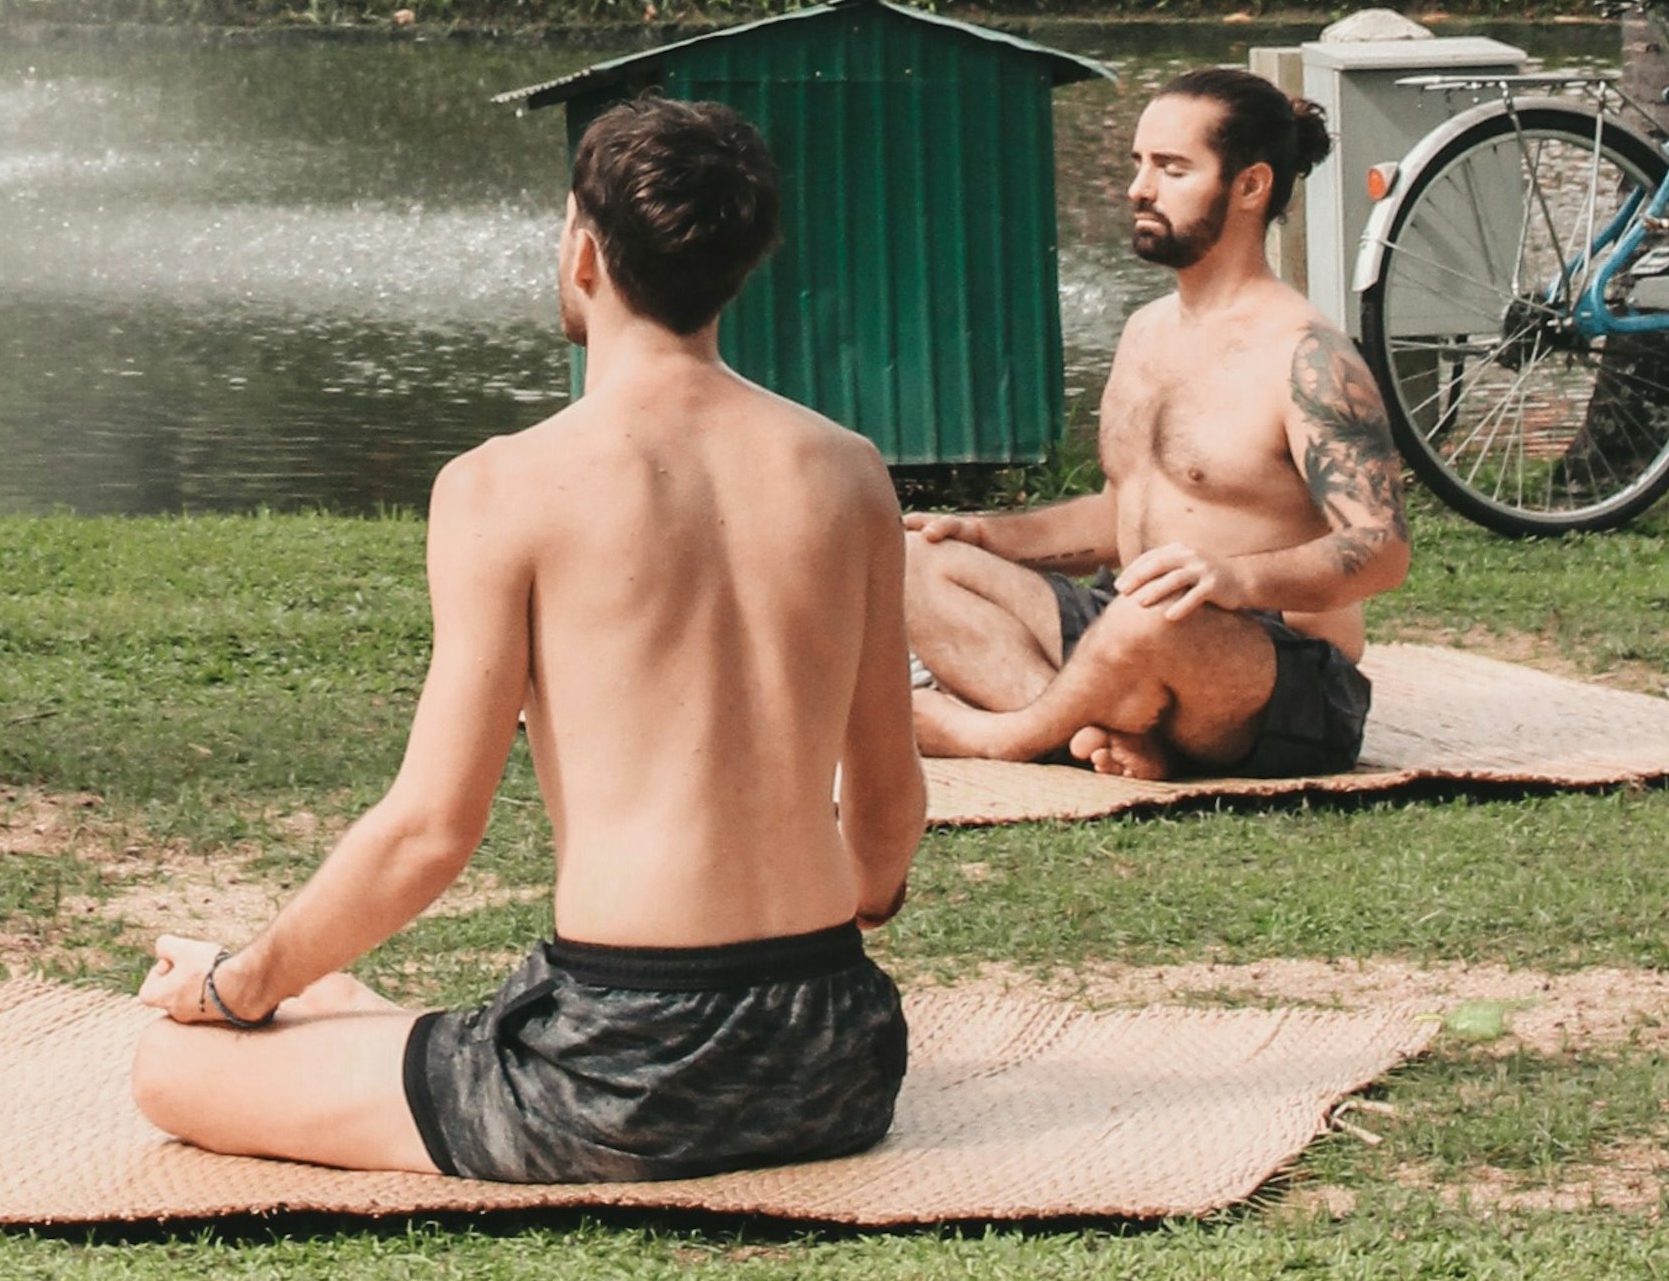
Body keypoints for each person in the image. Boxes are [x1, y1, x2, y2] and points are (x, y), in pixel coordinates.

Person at [129, 96, 922, 1182]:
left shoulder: (503, 484)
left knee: (171, 1069)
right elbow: (886, 804)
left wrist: (239, 987)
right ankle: (341, 1010)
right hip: (836, 1052)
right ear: (739, 265)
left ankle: (304, 1001)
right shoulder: (846, 468)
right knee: (340, 1012)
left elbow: (428, 831)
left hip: (623, 1069)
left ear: (584, 250)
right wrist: (848, 905)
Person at [906, 71, 1411, 781]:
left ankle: (1007, 736)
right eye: (1138, 164)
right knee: (912, 561)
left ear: (1250, 187)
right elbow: (1127, 513)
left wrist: (1233, 578)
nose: (1139, 189)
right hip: (1123, 625)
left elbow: (1382, 549)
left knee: (1152, 616)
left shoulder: (1305, 355)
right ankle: (1103, 730)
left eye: (1172, 168)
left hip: (1264, 667)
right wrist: (989, 536)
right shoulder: (1146, 331)